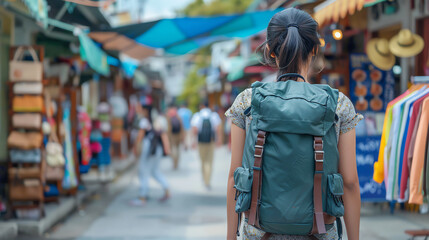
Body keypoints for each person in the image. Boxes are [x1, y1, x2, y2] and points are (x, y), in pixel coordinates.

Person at [225, 8, 361, 240]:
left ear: (270, 51)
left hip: (258, 231)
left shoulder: (247, 101)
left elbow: (234, 178)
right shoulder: (339, 105)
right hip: (320, 231)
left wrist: (230, 237)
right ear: (315, 49)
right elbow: (349, 182)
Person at [131, 105, 171, 206]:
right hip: (156, 148)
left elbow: (140, 136)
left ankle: (142, 196)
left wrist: (135, 148)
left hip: (148, 149)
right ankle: (167, 189)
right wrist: (167, 148)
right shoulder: (158, 120)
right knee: (154, 171)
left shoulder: (144, 121)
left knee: (143, 171)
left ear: (145, 111)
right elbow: (163, 134)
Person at [191, 101, 221, 189]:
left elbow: (195, 129)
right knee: (209, 161)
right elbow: (217, 129)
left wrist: (193, 141)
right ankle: (208, 181)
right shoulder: (214, 115)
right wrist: (218, 140)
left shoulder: (197, 115)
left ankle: (204, 179)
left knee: (202, 161)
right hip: (210, 141)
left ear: (201, 106)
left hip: (201, 141)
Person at [167, 104, 184, 170]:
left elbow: (168, 129)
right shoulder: (178, 117)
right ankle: (175, 163)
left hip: (173, 137)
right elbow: (182, 127)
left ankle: (175, 163)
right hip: (176, 137)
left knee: (174, 151)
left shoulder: (169, 117)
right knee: (176, 151)